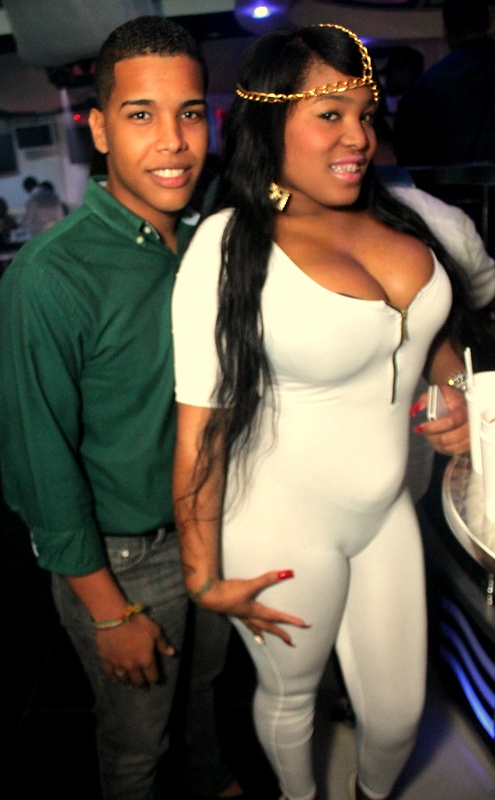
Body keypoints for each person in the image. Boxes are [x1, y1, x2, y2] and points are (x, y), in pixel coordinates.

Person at [171, 24, 471, 800]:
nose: (358, 137)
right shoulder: (231, 244)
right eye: (330, 114)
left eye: (366, 115)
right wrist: (202, 577)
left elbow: (436, 343)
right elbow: (201, 427)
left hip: (387, 513)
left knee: (398, 716)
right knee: (292, 696)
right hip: (279, 523)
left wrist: (460, 399)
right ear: (271, 120)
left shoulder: (399, 219)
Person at [0, 15, 240, 800]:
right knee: (137, 750)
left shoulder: (208, 239)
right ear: (98, 129)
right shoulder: (48, 279)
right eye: (140, 115)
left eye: (189, 113)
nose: (172, 141)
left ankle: (214, 783)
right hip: (125, 560)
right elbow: (39, 471)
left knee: (204, 699)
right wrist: (108, 613)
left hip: (209, 526)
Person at [393, 0, 495, 166]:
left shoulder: (424, 87)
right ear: (489, 20)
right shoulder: (426, 87)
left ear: (445, 30)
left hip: (450, 182)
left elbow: (409, 156)